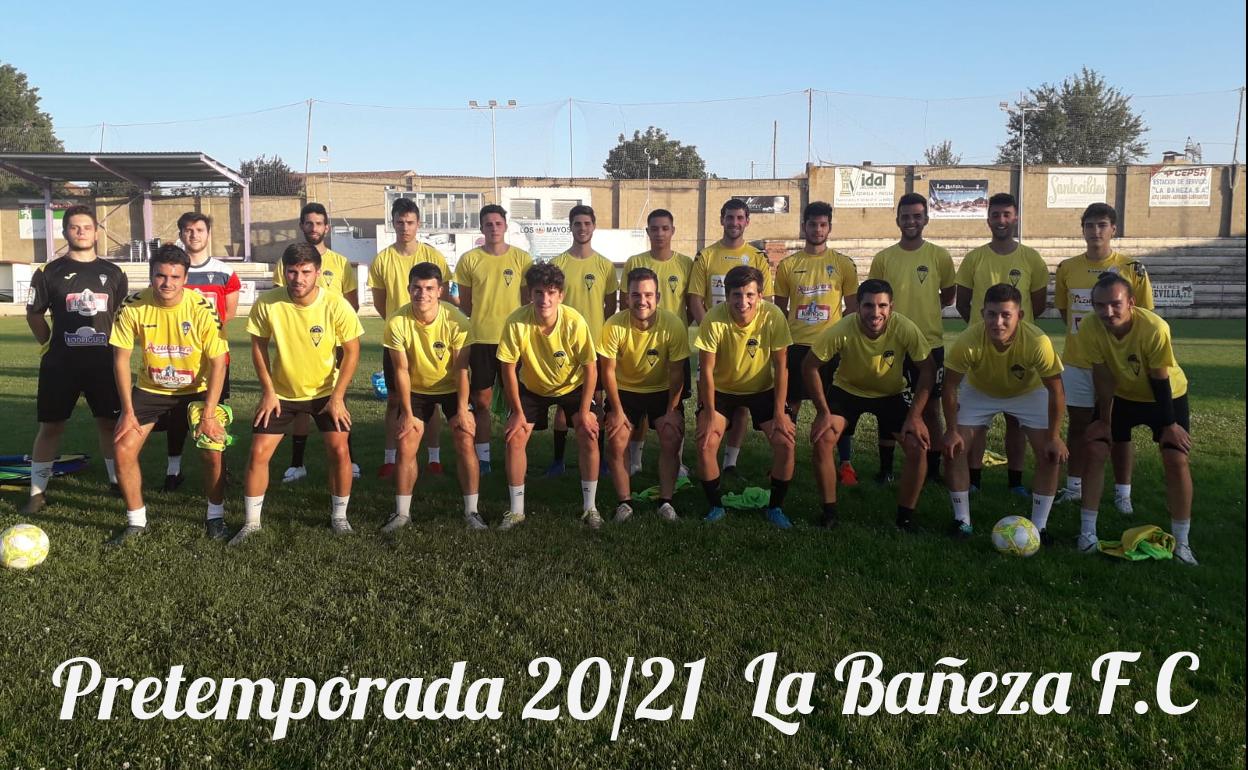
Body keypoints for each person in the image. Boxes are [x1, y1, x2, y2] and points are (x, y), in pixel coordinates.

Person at [230, 243, 364, 545]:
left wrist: (338, 397)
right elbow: (258, 347)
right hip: (281, 393)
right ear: (284, 272)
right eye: (292, 271)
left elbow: (352, 351)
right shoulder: (268, 303)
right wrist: (268, 392)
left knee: (340, 451)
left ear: (318, 272)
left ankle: (339, 517)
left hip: (325, 393)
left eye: (305, 272)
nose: (298, 278)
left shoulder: (336, 304)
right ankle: (251, 523)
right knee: (258, 453)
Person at [107, 245, 228, 544]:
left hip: (196, 390)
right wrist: (128, 411)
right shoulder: (132, 305)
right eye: (160, 276)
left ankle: (215, 516)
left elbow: (218, 363)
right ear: (151, 275)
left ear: (185, 278)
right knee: (122, 449)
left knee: (212, 449)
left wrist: (209, 413)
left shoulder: (201, 308)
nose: (167, 283)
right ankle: (136, 522)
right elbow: (120, 361)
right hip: (151, 390)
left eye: (175, 277)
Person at [1076, 274, 1195, 565]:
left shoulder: (1154, 327)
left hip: (1165, 395)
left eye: (1115, 304)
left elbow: (1160, 378)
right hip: (1123, 396)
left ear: (1131, 302)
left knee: (1176, 458)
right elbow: (1103, 376)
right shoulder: (1089, 326)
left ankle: (1182, 543)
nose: (1107, 312)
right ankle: (1087, 534)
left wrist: (1169, 425)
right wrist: (1104, 420)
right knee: (1095, 449)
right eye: (1100, 305)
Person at [803, 279, 933, 531]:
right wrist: (823, 412)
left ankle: (905, 518)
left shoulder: (904, 327)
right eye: (868, 305)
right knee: (822, 439)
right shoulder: (842, 328)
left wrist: (916, 416)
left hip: (891, 394)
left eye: (882, 306)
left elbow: (927, 369)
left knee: (918, 447)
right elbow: (809, 365)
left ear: (891, 307)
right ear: (857, 307)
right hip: (848, 391)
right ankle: (829, 514)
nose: (876, 312)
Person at [22, 205, 128, 515]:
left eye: (86, 227)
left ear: (96, 232)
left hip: (104, 364)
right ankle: (37, 493)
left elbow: (123, 317)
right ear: (65, 232)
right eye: (74, 227)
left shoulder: (115, 273)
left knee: (109, 423)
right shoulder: (48, 272)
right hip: (60, 365)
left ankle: (116, 482)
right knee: (51, 426)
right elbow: (34, 314)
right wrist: (49, 343)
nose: (81, 231)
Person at [942, 284, 1067, 541]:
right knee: (955, 448)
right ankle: (962, 522)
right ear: (982, 314)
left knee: (1050, 453)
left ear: (1019, 316)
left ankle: (1039, 528)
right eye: (991, 314)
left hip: (1027, 392)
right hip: (980, 390)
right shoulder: (968, 340)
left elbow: (1056, 391)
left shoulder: (1038, 341)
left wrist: (1055, 437)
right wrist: (952, 431)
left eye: (1006, 315)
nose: (998, 322)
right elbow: (950, 386)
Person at [1053, 203, 1153, 513]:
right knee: (1079, 425)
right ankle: (1074, 487)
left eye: (1102, 225)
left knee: (1119, 429)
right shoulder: (1067, 267)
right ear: (1082, 229)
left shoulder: (1132, 268)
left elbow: (1144, 315)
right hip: (1078, 361)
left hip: (1118, 363)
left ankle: (1123, 493)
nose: (1095, 231)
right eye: (1090, 225)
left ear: (1114, 229)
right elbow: (1065, 312)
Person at [954, 192, 1049, 496]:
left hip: (1018, 349)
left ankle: (1015, 482)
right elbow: (963, 302)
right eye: (995, 215)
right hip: (981, 349)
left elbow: (1038, 304)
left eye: (1007, 214)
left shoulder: (1031, 258)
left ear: (1016, 217)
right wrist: (981, 326)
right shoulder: (974, 258)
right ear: (988, 219)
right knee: (977, 422)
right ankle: (974, 480)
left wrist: (1015, 327)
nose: (1001, 220)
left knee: (1016, 420)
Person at [496, 263, 600, 529]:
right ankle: (516, 511)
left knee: (588, 434)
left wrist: (585, 412)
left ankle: (590, 508)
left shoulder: (574, 321)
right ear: (530, 294)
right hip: (533, 387)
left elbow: (591, 368)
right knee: (514, 437)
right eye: (539, 292)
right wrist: (517, 412)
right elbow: (508, 369)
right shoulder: (516, 321)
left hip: (572, 386)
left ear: (561, 295)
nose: (545, 299)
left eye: (551, 292)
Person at [381, 262, 482, 532]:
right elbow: (401, 371)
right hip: (416, 389)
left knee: (465, 438)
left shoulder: (457, 321)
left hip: (452, 387)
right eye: (417, 287)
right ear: (408, 289)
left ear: (440, 291)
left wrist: (463, 409)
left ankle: (472, 512)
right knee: (406, 442)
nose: (422, 294)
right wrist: (407, 413)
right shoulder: (397, 322)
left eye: (429, 288)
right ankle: (402, 514)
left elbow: (462, 370)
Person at [694, 265, 795, 528]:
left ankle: (775, 508)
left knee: (786, 443)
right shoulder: (714, 318)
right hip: (722, 390)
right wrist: (708, 413)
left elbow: (781, 368)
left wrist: (780, 413)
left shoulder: (773, 316)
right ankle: (716, 506)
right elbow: (706, 370)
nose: (743, 301)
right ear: (727, 296)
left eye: (750, 295)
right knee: (705, 444)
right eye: (737, 295)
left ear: (760, 295)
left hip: (762, 389)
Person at [869, 192, 956, 485]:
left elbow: (948, 296)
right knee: (888, 405)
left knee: (931, 408)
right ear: (897, 220)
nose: (911, 221)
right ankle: (885, 469)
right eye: (905, 216)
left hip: (929, 344)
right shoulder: (883, 258)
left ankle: (932, 469)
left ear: (926, 219)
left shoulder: (939, 256)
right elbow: (876, 300)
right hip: (891, 344)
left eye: (917, 216)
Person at [773, 201, 859, 484]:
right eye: (812, 224)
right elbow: (780, 309)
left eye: (823, 225)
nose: (817, 229)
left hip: (832, 347)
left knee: (836, 405)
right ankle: (786, 458)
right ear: (804, 226)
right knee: (791, 404)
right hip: (798, 345)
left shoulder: (843, 264)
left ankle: (845, 463)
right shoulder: (788, 265)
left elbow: (853, 308)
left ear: (829, 228)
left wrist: (838, 335)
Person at [688, 198, 775, 474]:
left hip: (746, 339)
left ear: (747, 221)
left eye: (739, 218)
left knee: (741, 405)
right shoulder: (706, 255)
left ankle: (730, 462)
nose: (734, 223)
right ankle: (707, 452)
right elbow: (695, 299)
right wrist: (713, 331)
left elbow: (766, 301)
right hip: (715, 339)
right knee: (707, 398)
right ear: (721, 220)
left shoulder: (758, 257)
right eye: (729, 217)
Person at [277, 202, 361, 483]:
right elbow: (281, 303)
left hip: (333, 345)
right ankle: (297, 464)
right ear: (302, 225)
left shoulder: (340, 263)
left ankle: (350, 459)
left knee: (338, 400)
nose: (314, 228)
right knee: (299, 403)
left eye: (319, 223)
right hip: (298, 344)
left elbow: (352, 304)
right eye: (309, 223)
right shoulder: (288, 261)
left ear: (327, 227)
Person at [368, 197, 452, 480]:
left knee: (432, 400)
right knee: (395, 399)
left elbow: (443, 296)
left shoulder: (433, 256)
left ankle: (434, 458)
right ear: (392, 223)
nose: (405, 227)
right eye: (400, 222)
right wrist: (398, 327)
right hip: (398, 341)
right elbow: (380, 302)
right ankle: (390, 458)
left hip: (431, 339)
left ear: (418, 224)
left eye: (410, 222)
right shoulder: (383, 259)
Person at [599, 267, 689, 522]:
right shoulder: (613, 325)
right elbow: (607, 372)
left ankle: (666, 502)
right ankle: (624, 503)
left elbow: (677, 373)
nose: (642, 301)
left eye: (648, 295)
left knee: (671, 435)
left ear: (657, 297)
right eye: (636, 295)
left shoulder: (673, 324)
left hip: (661, 390)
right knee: (617, 439)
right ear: (627, 298)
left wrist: (672, 411)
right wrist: (616, 411)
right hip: (625, 391)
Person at [160, 212, 240, 492]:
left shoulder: (225, 272)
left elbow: (228, 314)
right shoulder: (170, 270)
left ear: (208, 234)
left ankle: (221, 470)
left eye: (199, 230)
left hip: (214, 359)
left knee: (215, 414)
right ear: (181, 234)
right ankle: (173, 471)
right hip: (176, 357)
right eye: (188, 230)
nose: (194, 235)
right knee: (176, 416)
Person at [455, 204, 534, 475]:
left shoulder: (522, 259)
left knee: (517, 401)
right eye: (488, 224)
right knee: (482, 401)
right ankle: (484, 458)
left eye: (498, 223)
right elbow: (466, 303)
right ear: (481, 228)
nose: (493, 228)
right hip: (481, 338)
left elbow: (527, 300)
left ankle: (516, 453)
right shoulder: (469, 260)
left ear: (505, 226)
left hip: (514, 340)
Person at [621, 208, 694, 476]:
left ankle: (678, 461)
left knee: (675, 405)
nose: (660, 233)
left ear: (673, 231)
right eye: (654, 228)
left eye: (665, 228)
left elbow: (691, 303)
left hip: (674, 347)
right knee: (638, 404)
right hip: (639, 345)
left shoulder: (685, 263)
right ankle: (635, 460)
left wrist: (679, 329)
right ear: (647, 231)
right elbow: (625, 303)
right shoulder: (635, 261)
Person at [547, 205, 618, 476]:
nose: (582, 228)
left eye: (587, 223)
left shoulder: (605, 265)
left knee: (596, 400)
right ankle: (558, 461)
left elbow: (609, 307)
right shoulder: (558, 264)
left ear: (594, 226)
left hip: (595, 346)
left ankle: (598, 459)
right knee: (563, 402)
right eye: (577, 223)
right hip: (563, 345)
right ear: (570, 227)